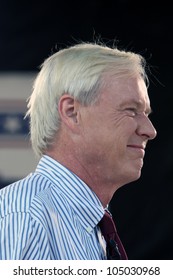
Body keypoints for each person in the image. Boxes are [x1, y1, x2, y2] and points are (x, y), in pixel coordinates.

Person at [0, 42, 157, 260]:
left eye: (146, 113)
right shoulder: (27, 218)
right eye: (131, 110)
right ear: (72, 112)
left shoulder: (87, 224)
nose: (150, 131)